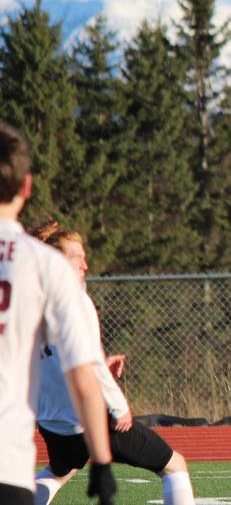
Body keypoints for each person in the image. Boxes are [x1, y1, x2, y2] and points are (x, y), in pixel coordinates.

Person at [30, 220, 197, 505]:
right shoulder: (74, 300)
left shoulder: (33, 299)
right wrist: (119, 406)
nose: (85, 266)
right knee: (174, 466)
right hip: (89, 420)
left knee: (58, 473)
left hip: (50, 422)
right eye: (78, 259)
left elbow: (58, 357)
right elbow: (89, 363)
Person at [0, 121, 116, 505]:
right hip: (8, 458)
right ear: (27, 186)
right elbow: (82, 372)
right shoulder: (47, 265)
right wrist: (100, 459)